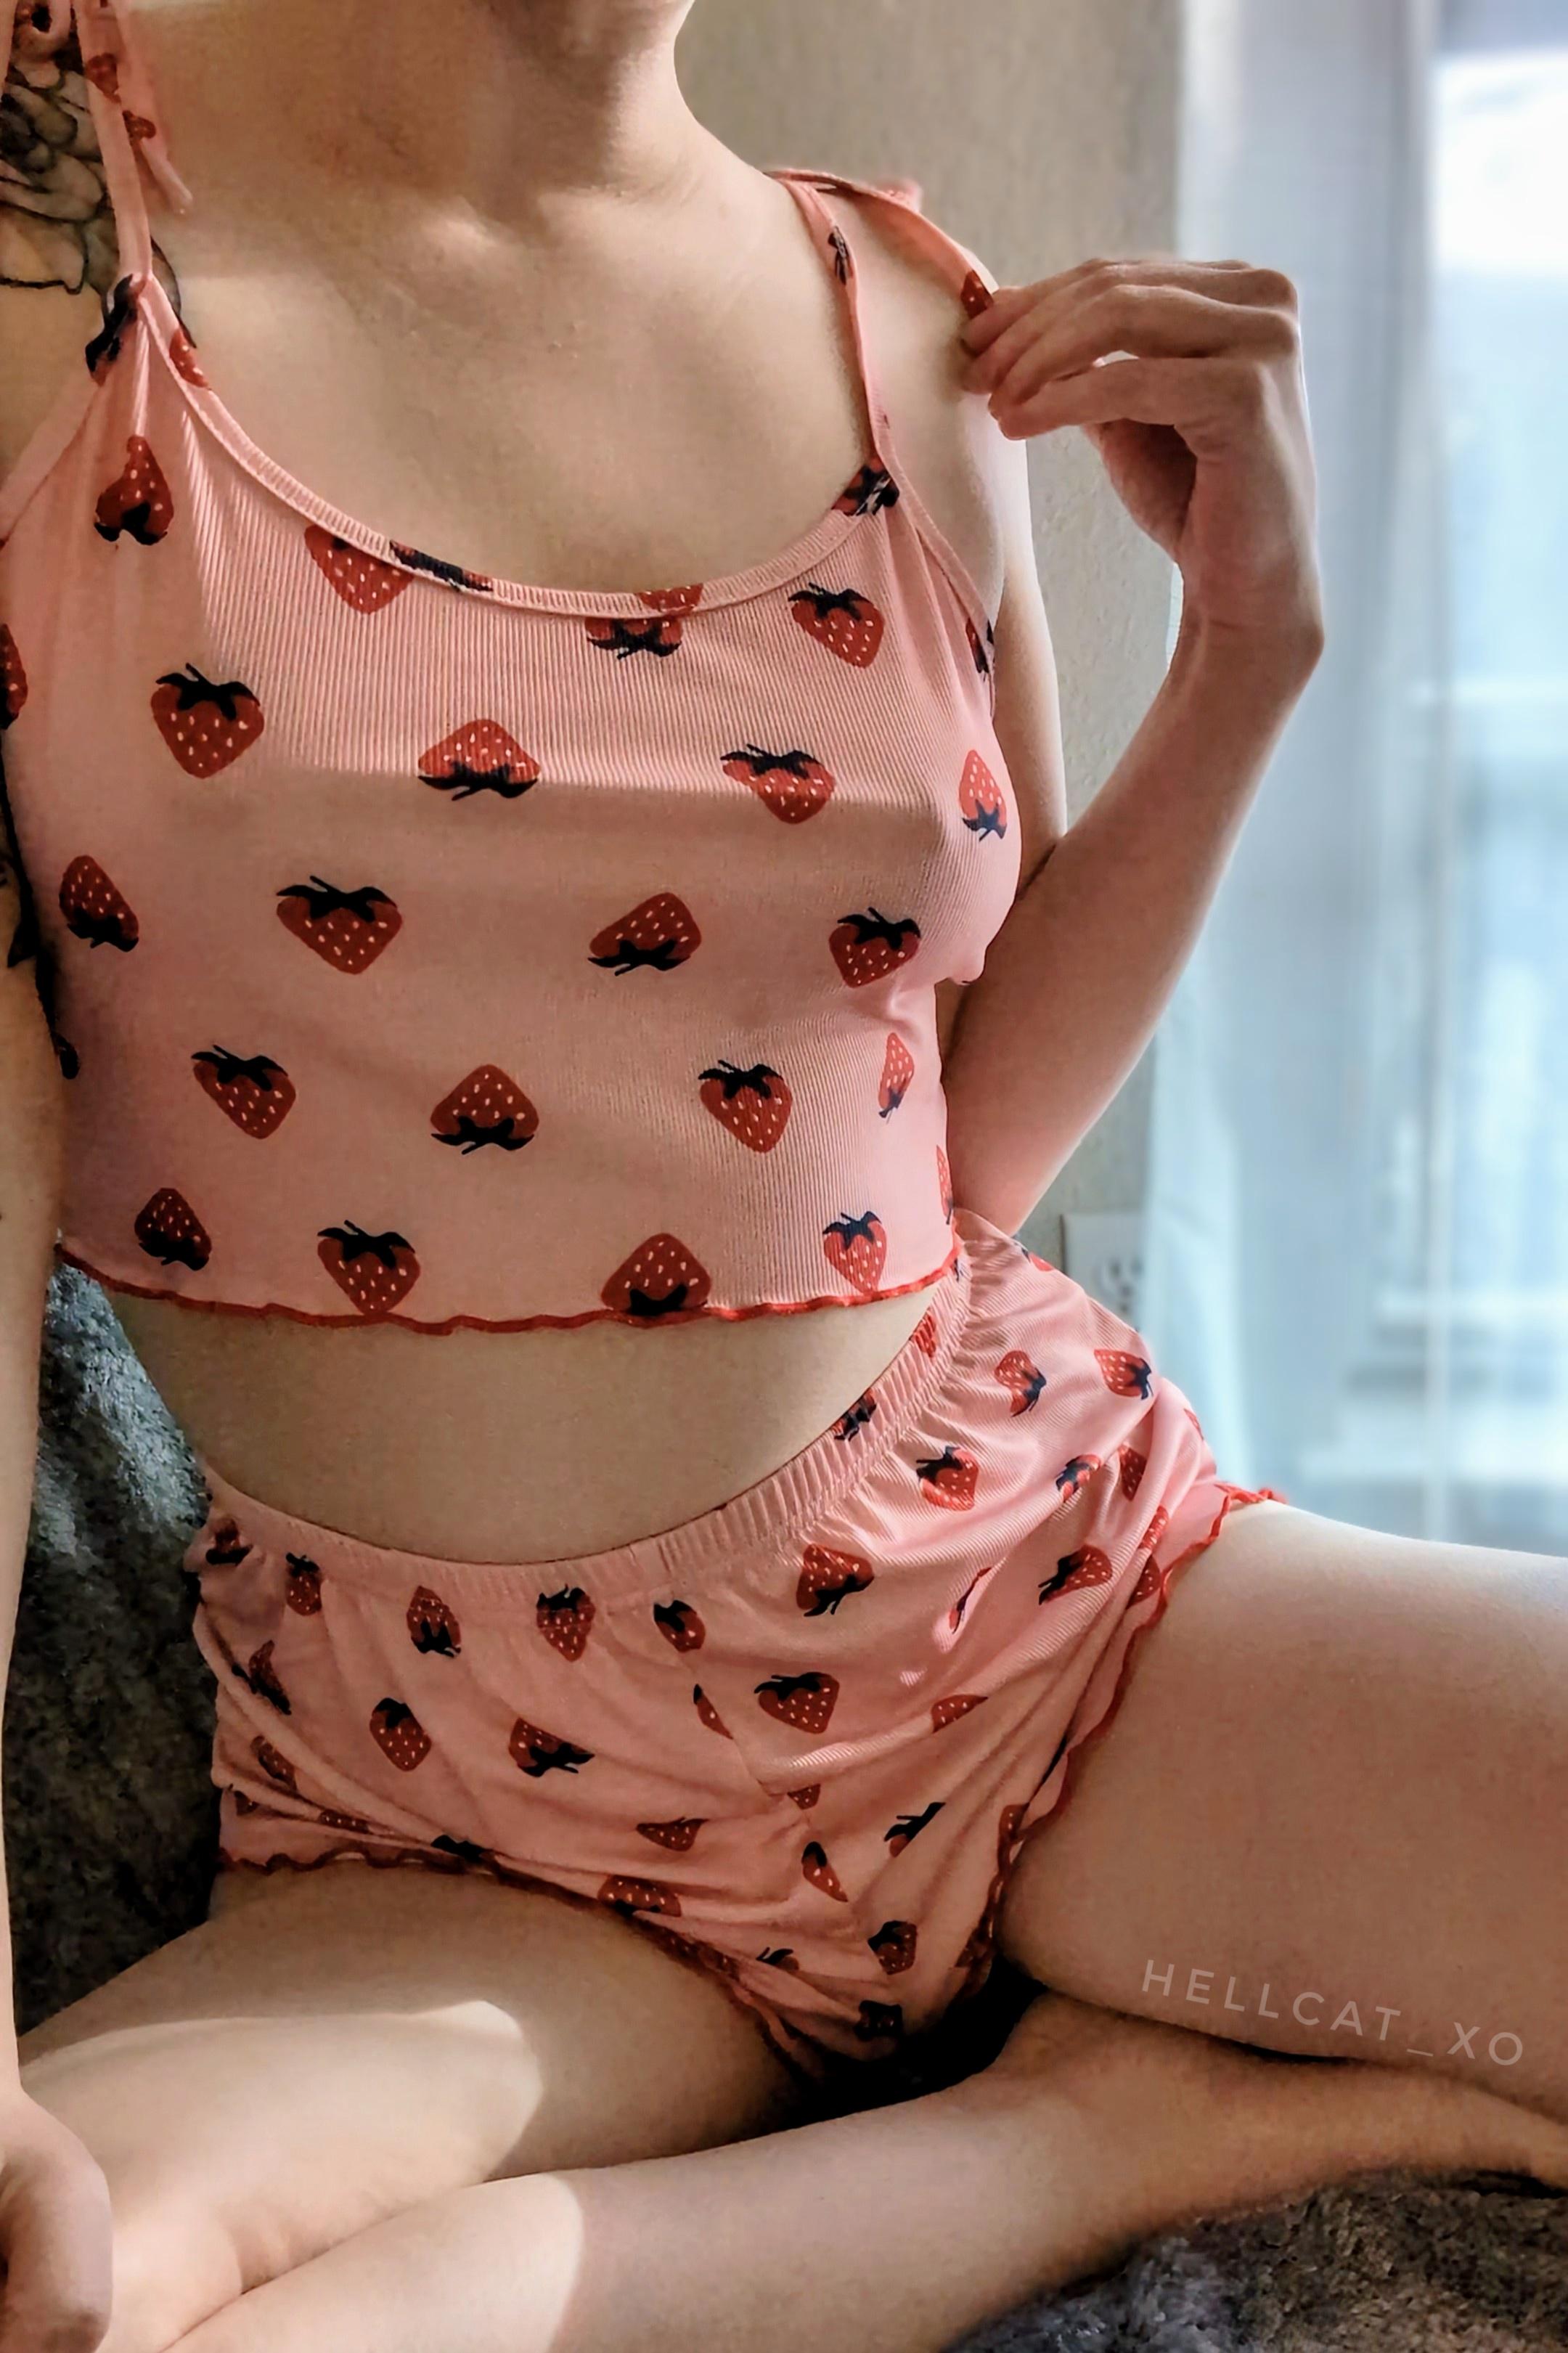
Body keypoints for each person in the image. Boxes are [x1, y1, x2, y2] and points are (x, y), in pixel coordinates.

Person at [0, 2, 1563, 2348]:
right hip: (447, 1801)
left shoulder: (902, 315)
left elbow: (955, 1149)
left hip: (1046, 1630)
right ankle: (1081, 2134)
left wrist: (1247, 651)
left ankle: (1041, 2133)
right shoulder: (48, 221)